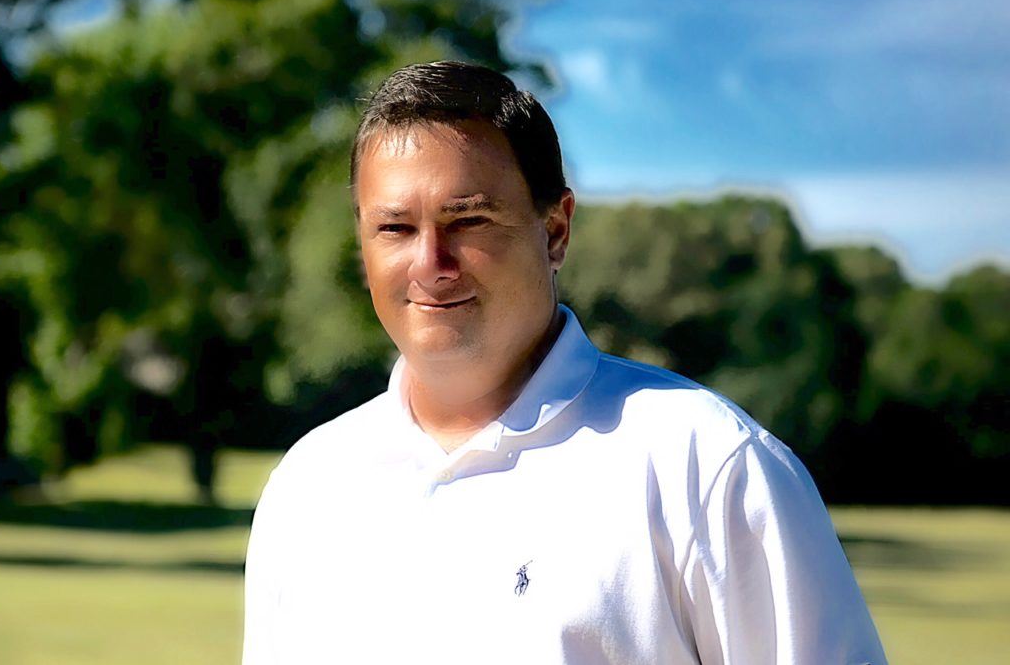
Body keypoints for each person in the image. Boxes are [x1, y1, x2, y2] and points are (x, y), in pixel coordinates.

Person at [242, 61, 887, 664]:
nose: (430, 262)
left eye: (468, 221)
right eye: (395, 229)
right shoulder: (308, 487)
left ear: (555, 231)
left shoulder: (705, 463)